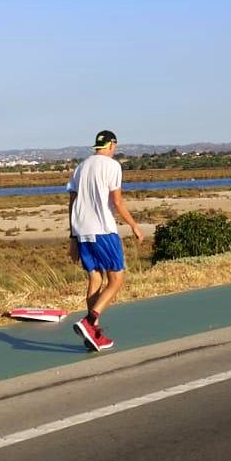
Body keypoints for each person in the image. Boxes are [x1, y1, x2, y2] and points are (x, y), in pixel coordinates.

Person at [66, 130, 143, 352]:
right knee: (117, 279)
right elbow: (117, 202)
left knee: (95, 279)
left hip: (82, 230)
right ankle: (90, 322)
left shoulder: (81, 167)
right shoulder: (112, 166)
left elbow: (72, 201)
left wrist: (72, 237)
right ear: (111, 144)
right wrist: (134, 226)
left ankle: (93, 335)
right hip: (103, 230)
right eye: (115, 146)